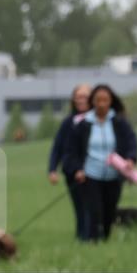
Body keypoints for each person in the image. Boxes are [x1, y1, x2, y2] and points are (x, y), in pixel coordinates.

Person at [62, 84, 137, 242]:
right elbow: (71, 150)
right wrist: (77, 169)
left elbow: (132, 142)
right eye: (98, 100)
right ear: (93, 102)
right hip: (91, 175)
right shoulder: (83, 124)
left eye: (105, 100)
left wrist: (131, 159)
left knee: (110, 211)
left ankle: (105, 238)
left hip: (114, 174)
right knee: (94, 210)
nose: (102, 104)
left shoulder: (119, 122)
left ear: (111, 101)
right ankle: (93, 242)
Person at [47, 84, 92, 239]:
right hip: (71, 172)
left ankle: (88, 239)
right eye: (78, 96)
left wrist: (85, 169)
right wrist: (52, 170)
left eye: (85, 96)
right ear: (73, 99)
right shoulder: (68, 122)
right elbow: (57, 147)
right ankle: (80, 238)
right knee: (79, 207)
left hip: (91, 172)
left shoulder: (96, 121)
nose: (82, 100)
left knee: (89, 207)